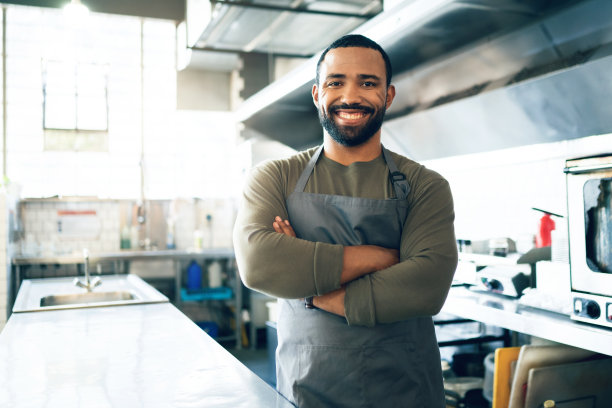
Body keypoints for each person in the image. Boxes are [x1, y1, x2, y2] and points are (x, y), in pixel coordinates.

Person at [233, 34, 458, 407]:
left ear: (388, 96)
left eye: (368, 83)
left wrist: (306, 279)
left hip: (405, 389)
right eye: (336, 82)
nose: (350, 96)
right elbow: (259, 264)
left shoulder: (425, 185)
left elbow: (428, 283)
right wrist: (379, 257)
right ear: (317, 94)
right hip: (309, 387)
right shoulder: (275, 177)